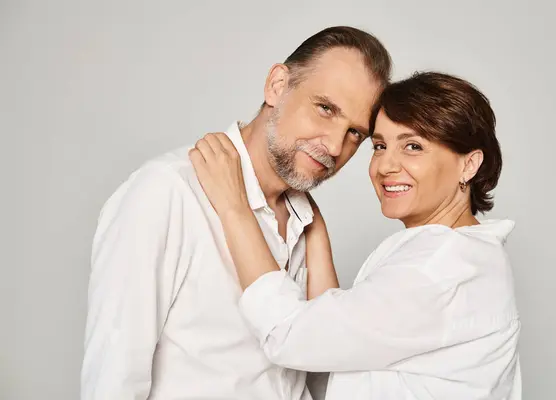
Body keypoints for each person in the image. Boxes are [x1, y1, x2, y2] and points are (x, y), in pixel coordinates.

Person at [80, 26, 392, 399]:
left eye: (355, 132)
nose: (334, 145)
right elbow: (113, 380)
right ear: (277, 85)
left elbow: (322, 370)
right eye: (325, 108)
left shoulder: (305, 223)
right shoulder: (167, 192)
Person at [189, 71, 521, 399]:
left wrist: (234, 206)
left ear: (469, 164)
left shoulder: (439, 267)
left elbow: (291, 337)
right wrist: (314, 229)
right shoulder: (468, 255)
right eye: (379, 145)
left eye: (413, 146)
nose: (385, 165)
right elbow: (331, 363)